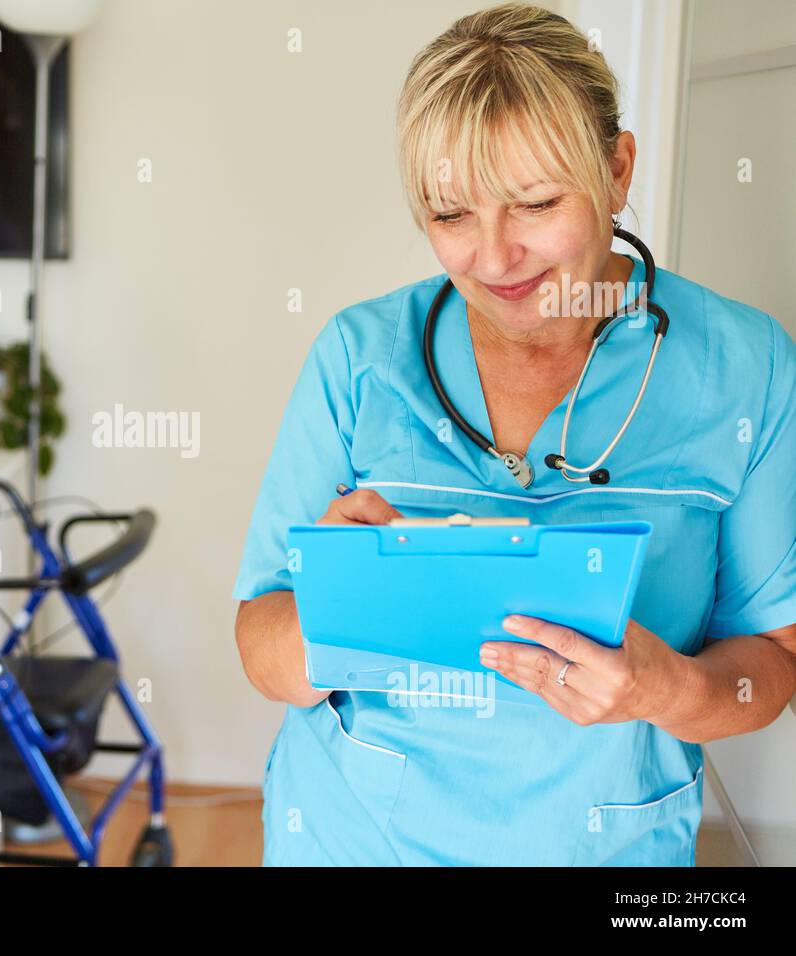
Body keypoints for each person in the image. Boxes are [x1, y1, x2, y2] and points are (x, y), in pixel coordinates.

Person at [233, 3, 796, 866]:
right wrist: (335, 601)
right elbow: (261, 645)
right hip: (355, 839)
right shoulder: (359, 357)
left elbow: (770, 670)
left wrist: (665, 685)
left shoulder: (743, 366)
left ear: (617, 171)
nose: (495, 261)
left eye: (534, 203)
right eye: (451, 215)